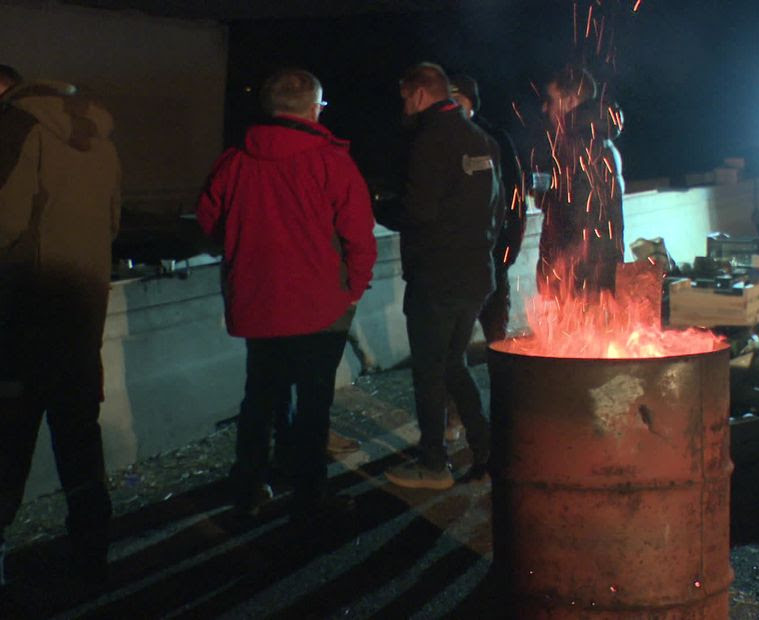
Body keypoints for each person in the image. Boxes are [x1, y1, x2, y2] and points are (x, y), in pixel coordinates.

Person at [197, 68, 376, 520]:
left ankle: (250, 488)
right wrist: (353, 288)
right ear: (314, 108)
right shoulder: (330, 161)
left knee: (259, 395)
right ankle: (310, 494)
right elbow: (359, 235)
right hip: (320, 305)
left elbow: (208, 219)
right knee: (315, 402)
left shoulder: (236, 160)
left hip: (257, 299)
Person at [1, 77, 121, 586]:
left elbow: (4, 223)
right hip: (81, 312)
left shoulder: (16, 129)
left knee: (8, 441)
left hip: (23, 318)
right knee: (78, 437)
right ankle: (93, 550)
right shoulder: (102, 141)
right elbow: (112, 223)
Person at [377, 63, 503, 490]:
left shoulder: (429, 141)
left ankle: (434, 464)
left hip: (437, 277)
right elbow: (496, 209)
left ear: (418, 95)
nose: (403, 107)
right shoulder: (480, 138)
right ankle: (486, 448)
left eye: (404, 98)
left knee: (430, 372)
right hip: (475, 274)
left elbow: (418, 213)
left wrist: (378, 208)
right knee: (454, 363)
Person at [535, 65, 624, 298]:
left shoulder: (575, 146)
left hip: (579, 278)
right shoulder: (600, 142)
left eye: (551, 100)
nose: (546, 108)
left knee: (579, 333)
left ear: (571, 100)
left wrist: (562, 273)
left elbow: (578, 216)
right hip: (595, 272)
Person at [449, 74, 526, 344]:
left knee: (497, 338)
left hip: (492, 257)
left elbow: (515, 195)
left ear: (471, 103)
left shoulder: (494, 139)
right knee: (454, 343)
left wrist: (507, 253)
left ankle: (503, 385)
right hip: (455, 262)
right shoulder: (439, 141)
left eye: (457, 99)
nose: (452, 106)